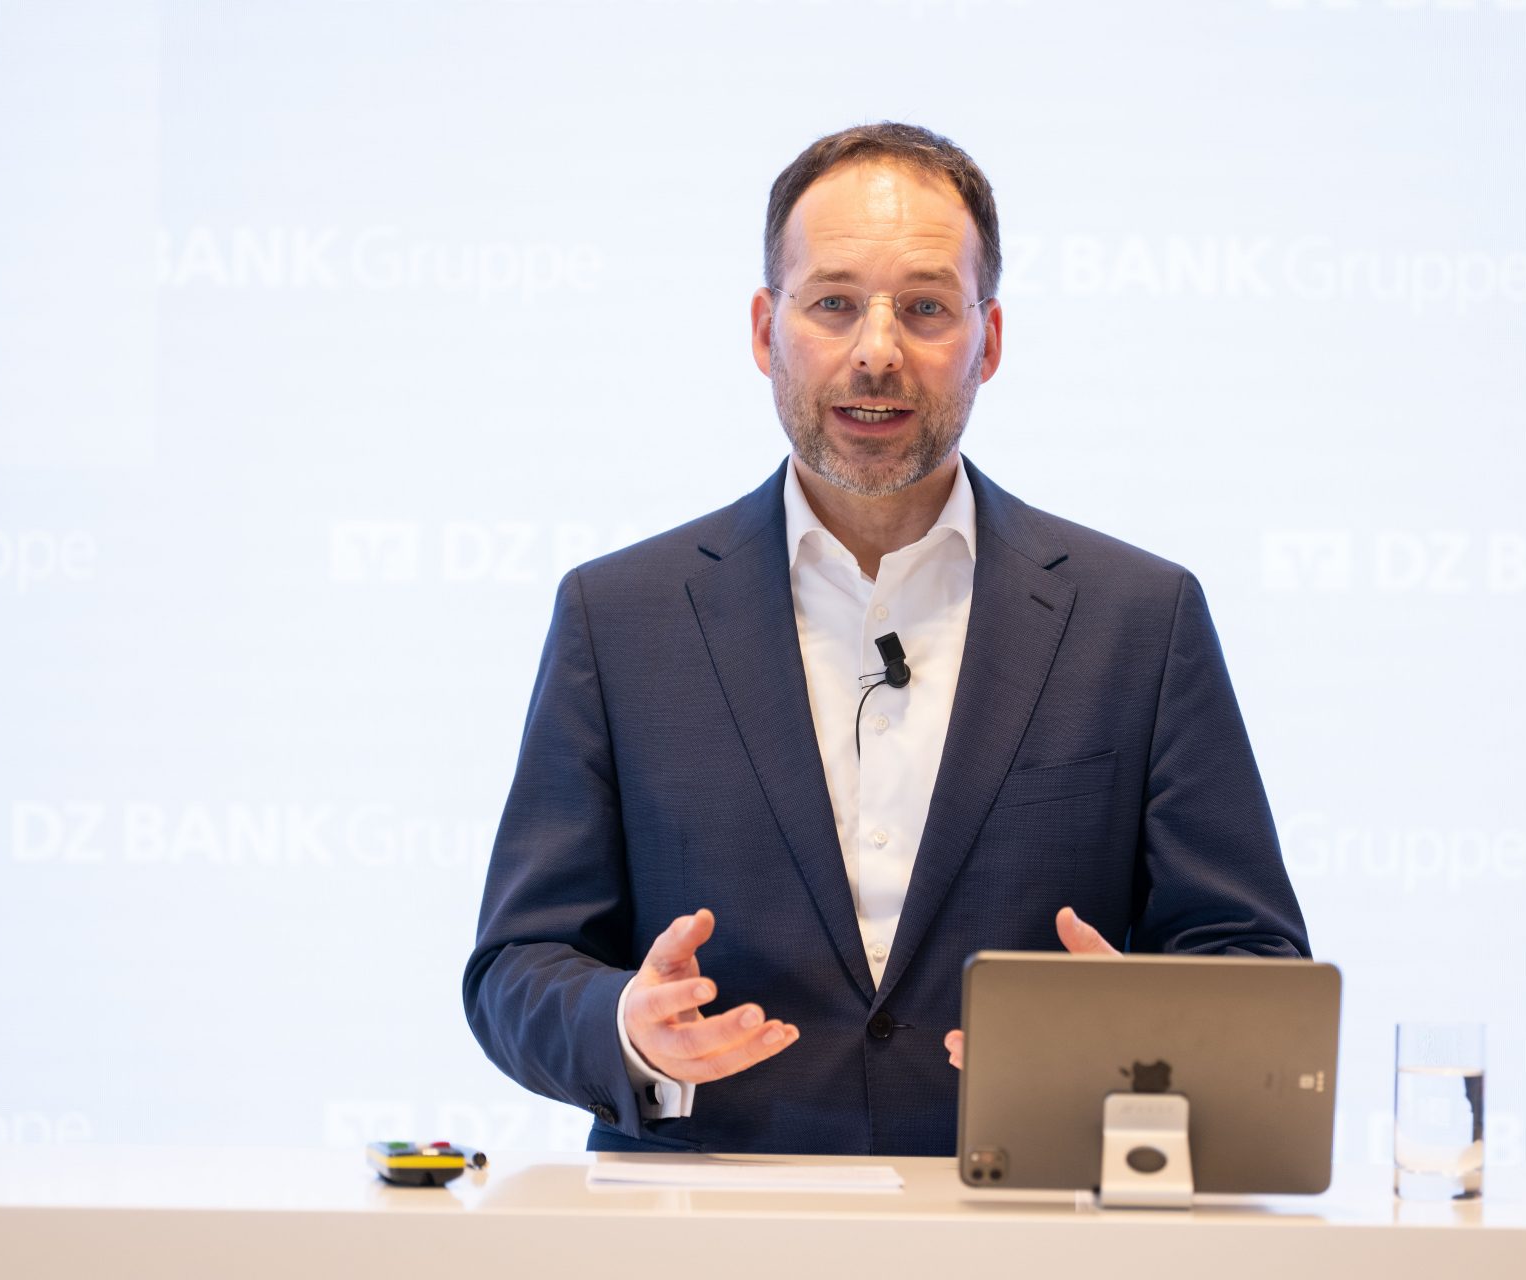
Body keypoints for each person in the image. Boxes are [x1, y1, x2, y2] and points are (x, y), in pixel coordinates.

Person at [463, 122, 1309, 1156]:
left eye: (924, 307)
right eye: (833, 303)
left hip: (1026, 1222)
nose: (877, 348)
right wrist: (626, 1029)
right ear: (766, 329)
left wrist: (1139, 1030)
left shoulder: (1138, 615)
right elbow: (518, 963)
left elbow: (1252, 958)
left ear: (987, 339)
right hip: (704, 1224)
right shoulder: (621, 614)